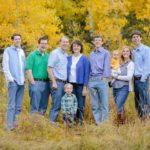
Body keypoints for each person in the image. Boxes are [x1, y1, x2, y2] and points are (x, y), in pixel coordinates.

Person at [2, 33, 26, 130]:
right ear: (12, 40)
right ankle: (9, 127)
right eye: (16, 39)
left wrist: (24, 79)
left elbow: (24, 66)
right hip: (13, 82)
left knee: (18, 105)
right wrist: (11, 79)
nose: (18, 41)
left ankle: (16, 126)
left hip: (21, 82)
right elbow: (5, 66)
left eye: (19, 39)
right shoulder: (8, 51)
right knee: (11, 105)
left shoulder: (22, 51)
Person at [89, 35, 111, 125]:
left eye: (99, 40)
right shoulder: (91, 54)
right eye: (95, 40)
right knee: (94, 103)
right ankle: (98, 122)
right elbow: (90, 67)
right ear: (94, 42)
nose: (97, 41)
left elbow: (107, 65)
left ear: (102, 42)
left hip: (101, 79)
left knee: (104, 103)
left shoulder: (106, 53)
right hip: (92, 80)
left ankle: (104, 123)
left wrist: (105, 76)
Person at [67, 40, 90, 125]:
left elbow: (86, 74)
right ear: (72, 48)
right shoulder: (68, 58)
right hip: (70, 85)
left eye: (78, 46)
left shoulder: (85, 59)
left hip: (80, 85)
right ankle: (70, 122)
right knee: (71, 104)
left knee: (80, 105)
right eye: (74, 46)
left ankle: (80, 122)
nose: (76, 47)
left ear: (81, 47)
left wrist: (85, 87)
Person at [26, 36, 50, 115]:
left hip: (46, 83)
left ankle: (40, 124)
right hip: (36, 82)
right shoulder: (32, 55)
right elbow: (28, 70)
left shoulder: (48, 56)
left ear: (47, 45)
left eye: (45, 44)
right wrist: (33, 83)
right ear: (38, 44)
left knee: (43, 105)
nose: (44, 45)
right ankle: (33, 124)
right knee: (35, 106)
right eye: (42, 43)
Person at [48, 36, 69, 123]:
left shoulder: (66, 54)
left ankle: (66, 124)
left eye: (67, 42)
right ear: (60, 42)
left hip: (65, 83)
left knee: (65, 104)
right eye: (63, 42)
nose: (65, 43)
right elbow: (49, 68)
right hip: (57, 82)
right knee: (56, 104)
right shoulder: (55, 53)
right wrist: (53, 82)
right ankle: (51, 124)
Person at [112, 46, 134, 124]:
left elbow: (129, 77)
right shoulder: (119, 63)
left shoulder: (131, 64)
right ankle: (123, 123)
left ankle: (120, 123)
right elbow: (113, 72)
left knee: (119, 106)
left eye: (127, 51)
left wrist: (117, 77)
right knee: (120, 106)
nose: (125, 52)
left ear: (130, 53)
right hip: (115, 87)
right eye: (124, 51)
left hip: (124, 87)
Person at [132, 30, 150, 119]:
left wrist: (143, 79)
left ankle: (146, 118)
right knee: (137, 100)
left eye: (137, 37)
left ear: (141, 38)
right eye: (134, 37)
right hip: (134, 79)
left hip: (142, 79)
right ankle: (141, 119)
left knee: (145, 99)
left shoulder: (146, 49)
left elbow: (147, 66)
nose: (135, 38)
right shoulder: (133, 50)